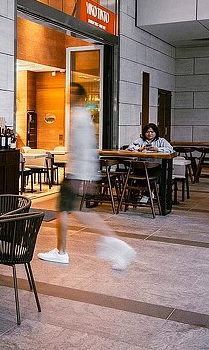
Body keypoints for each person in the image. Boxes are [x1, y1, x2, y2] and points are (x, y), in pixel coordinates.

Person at [38, 83, 136, 270]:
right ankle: (63, 251)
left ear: (80, 96)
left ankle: (65, 252)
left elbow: (86, 149)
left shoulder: (80, 117)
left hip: (76, 173)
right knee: (69, 210)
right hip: (77, 172)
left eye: (72, 93)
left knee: (74, 211)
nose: (69, 96)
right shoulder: (79, 116)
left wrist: (85, 177)